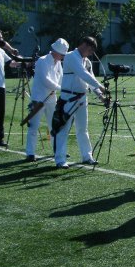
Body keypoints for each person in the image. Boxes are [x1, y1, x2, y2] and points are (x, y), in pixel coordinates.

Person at [52, 36, 106, 169]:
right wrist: (100, 86)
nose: (90, 53)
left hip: (82, 99)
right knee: (63, 128)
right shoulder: (71, 56)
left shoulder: (87, 61)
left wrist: (101, 96)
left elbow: (91, 79)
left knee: (83, 128)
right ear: (84, 45)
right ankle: (60, 159)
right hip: (68, 98)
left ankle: (87, 156)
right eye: (90, 50)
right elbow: (83, 74)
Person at [24, 38, 67, 161]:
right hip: (38, 99)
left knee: (53, 126)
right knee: (33, 126)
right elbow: (45, 80)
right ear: (55, 51)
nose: (62, 57)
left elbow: (61, 78)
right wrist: (60, 88)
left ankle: (57, 150)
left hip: (52, 99)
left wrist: (61, 87)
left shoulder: (58, 62)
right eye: (62, 54)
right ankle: (30, 153)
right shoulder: (42, 61)